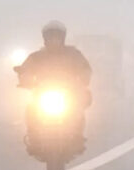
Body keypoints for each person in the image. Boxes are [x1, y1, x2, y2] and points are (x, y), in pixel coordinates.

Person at [14, 20, 93, 149]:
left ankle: (77, 134)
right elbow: (25, 69)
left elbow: (85, 68)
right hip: (42, 92)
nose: (54, 40)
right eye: (51, 37)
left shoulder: (73, 54)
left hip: (68, 92)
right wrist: (24, 78)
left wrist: (84, 79)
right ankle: (33, 135)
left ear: (62, 38)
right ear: (45, 38)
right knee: (31, 109)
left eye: (57, 37)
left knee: (79, 106)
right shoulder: (37, 56)